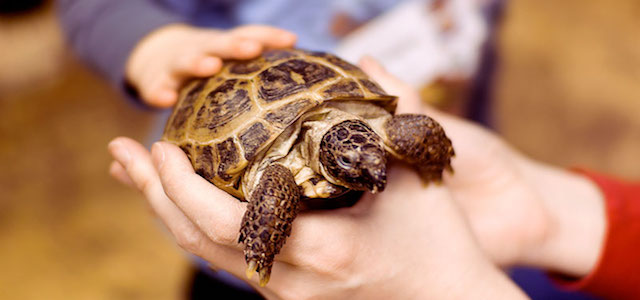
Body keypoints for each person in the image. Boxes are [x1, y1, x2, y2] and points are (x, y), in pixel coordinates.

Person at [107, 57, 640, 299]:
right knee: (267, 216)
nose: (376, 172)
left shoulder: (380, 134)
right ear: (324, 158)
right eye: (355, 167)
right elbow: (274, 188)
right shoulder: (281, 174)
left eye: (374, 160)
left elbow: (411, 131)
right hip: (246, 130)